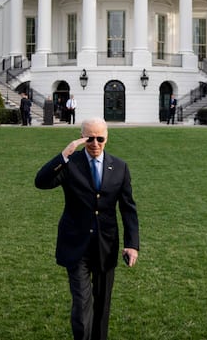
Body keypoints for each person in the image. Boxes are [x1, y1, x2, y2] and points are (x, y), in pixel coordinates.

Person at [34, 117, 140, 340]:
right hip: (76, 246)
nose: (94, 143)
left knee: (102, 307)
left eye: (99, 138)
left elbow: (128, 208)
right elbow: (41, 182)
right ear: (82, 137)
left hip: (106, 246)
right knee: (82, 307)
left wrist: (132, 245)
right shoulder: (70, 164)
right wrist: (64, 155)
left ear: (107, 138)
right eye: (89, 138)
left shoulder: (120, 167)